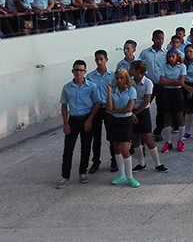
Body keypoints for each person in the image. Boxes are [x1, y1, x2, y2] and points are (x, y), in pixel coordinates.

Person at [57, 60, 100, 188]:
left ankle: (82, 172)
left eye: (81, 70)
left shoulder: (91, 86)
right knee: (68, 149)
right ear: (72, 71)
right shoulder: (67, 88)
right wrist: (65, 123)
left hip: (86, 118)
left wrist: (89, 120)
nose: (78, 73)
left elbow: (96, 104)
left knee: (86, 147)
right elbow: (64, 106)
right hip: (73, 120)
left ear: (85, 72)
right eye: (76, 70)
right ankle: (65, 176)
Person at [128, 61, 168, 173]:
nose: (129, 71)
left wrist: (135, 114)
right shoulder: (130, 82)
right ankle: (141, 164)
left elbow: (146, 101)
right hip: (133, 111)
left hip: (143, 112)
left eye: (131, 69)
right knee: (135, 139)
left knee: (148, 139)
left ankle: (157, 163)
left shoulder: (148, 82)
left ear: (138, 71)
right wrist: (131, 113)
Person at [106, 68, 140, 187]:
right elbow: (108, 107)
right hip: (114, 121)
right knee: (116, 148)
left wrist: (114, 111)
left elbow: (129, 109)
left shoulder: (131, 91)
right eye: (117, 78)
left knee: (124, 148)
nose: (119, 80)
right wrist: (109, 92)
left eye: (121, 78)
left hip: (125, 120)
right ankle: (121, 174)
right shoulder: (114, 91)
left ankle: (130, 176)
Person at [86, 50, 115, 173]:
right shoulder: (90, 77)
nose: (99, 62)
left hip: (108, 109)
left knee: (112, 135)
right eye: (97, 59)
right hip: (96, 109)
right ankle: (96, 161)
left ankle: (114, 160)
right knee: (96, 137)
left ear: (106, 60)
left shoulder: (112, 76)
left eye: (101, 59)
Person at [159, 49, 186, 153]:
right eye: (169, 57)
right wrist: (174, 81)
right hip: (167, 92)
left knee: (179, 115)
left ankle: (180, 140)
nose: (171, 59)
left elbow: (181, 82)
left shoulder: (182, 66)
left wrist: (169, 82)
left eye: (173, 57)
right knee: (167, 116)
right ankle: (168, 141)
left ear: (177, 57)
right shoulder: (164, 67)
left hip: (177, 92)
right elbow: (161, 82)